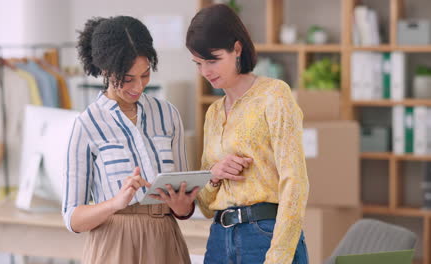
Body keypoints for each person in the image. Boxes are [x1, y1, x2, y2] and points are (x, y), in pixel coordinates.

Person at [62, 16, 198, 264]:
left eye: (145, 75)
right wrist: (115, 203)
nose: (138, 86)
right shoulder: (86, 125)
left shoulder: (168, 115)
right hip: (113, 246)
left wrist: (183, 206)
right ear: (106, 70)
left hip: (165, 243)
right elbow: (72, 218)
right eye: (127, 79)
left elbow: (185, 198)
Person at [186, 4, 309, 264]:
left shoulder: (274, 95)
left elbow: (295, 182)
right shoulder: (213, 113)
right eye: (198, 63)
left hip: (263, 235)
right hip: (219, 238)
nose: (205, 72)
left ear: (237, 49)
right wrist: (214, 175)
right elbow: (207, 206)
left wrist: (278, 256)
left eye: (213, 60)